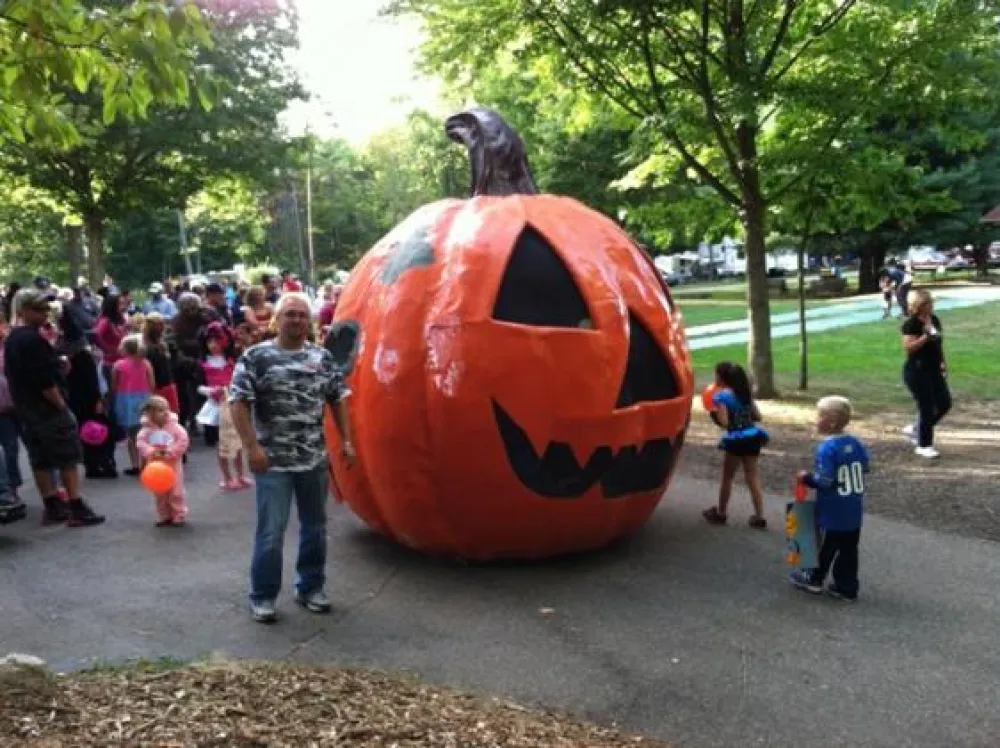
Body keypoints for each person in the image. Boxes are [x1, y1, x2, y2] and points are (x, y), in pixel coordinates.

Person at [230, 292, 356, 624]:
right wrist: (252, 447)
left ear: (309, 321)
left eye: (302, 315)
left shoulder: (322, 358)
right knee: (271, 531)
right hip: (273, 462)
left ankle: (311, 587)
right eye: (290, 314)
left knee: (315, 528)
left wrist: (345, 440)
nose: (297, 320)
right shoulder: (257, 357)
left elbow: (338, 397)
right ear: (277, 319)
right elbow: (238, 401)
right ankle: (263, 595)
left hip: (313, 459)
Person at [3, 289, 104, 526]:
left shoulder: (13, 339)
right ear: (24, 311)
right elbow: (43, 381)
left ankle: (52, 504)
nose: (45, 313)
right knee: (67, 457)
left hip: (26, 409)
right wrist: (60, 404)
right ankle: (75, 506)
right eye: (39, 309)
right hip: (46, 409)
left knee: (40, 459)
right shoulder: (33, 340)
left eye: (46, 308)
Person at [789, 396, 870, 601]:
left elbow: (824, 481)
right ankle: (847, 586)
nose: (816, 419)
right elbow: (865, 468)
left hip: (833, 509)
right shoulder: (857, 444)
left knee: (827, 545)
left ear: (831, 422)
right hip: (853, 507)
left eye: (819, 415)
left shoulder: (827, 448)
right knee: (849, 549)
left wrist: (806, 478)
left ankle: (814, 578)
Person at [702, 362, 769, 529]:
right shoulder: (745, 394)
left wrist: (714, 414)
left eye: (716, 374)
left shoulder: (721, 397)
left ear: (723, 378)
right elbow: (758, 416)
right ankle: (759, 516)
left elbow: (725, 423)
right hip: (753, 436)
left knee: (728, 477)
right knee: (752, 477)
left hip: (735, 440)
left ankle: (721, 513)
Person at [198, 323, 249, 491]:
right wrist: (210, 391)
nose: (212, 345)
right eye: (209, 341)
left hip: (233, 403)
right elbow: (197, 386)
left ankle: (240, 475)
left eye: (216, 341)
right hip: (216, 405)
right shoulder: (203, 363)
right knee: (222, 443)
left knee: (238, 441)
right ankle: (227, 477)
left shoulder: (232, 360)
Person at [901, 289, 950, 459]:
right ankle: (924, 445)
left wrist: (943, 362)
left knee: (944, 403)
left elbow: (939, 343)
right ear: (918, 306)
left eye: (931, 303)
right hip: (917, 370)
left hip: (934, 368)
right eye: (927, 304)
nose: (930, 306)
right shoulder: (911, 324)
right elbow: (908, 348)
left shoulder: (934, 320)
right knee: (926, 406)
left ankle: (916, 429)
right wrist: (925, 336)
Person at [136, 396, 190, 527]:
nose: (166, 412)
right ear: (150, 414)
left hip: (172, 464)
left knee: (176, 490)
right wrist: (150, 451)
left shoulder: (175, 427)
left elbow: (183, 440)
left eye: (167, 409)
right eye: (160, 410)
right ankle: (164, 514)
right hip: (155, 466)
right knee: (160, 492)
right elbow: (141, 443)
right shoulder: (146, 430)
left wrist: (171, 452)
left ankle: (178, 514)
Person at [112, 334, 156, 476]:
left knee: (132, 434)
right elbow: (152, 384)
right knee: (145, 431)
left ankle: (135, 464)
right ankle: (146, 462)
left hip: (125, 399)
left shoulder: (118, 365)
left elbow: (114, 385)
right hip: (144, 397)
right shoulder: (146, 363)